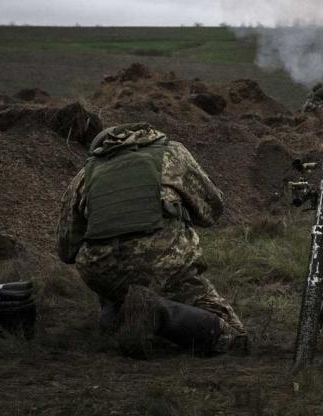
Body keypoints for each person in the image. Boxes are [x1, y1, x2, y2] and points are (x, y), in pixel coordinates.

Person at [57, 122, 247, 357]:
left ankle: (117, 316)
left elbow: (66, 250)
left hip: (102, 273)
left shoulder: (84, 175)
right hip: (164, 263)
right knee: (233, 334)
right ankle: (155, 312)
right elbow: (212, 210)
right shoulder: (173, 153)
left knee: (107, 270)